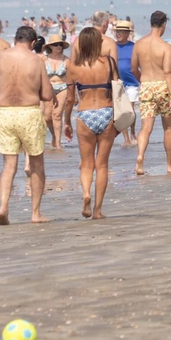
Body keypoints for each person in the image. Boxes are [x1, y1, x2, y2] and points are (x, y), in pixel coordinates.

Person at [0, 24, 58, 223]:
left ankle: (3, 206)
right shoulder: (36, 60)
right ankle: (35, 213)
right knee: (36, 164)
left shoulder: (1, 56)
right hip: (28, 113)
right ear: (33, 43)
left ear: (15, 39)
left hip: (6, 112)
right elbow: (46, 94)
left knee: (9, 165)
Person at [61, 26, 117, 219]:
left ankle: (86, 193)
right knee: (102, 165)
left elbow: (70, 99)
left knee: (86, 163)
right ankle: (98, 211)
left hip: (85, 114)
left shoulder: (73, 67)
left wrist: (67, 122)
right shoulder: (109, 63)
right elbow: (117, 89)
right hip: (106, 112)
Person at [131, 11, 171, 176]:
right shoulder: (166, 47)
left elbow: (133, 69)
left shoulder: (138, 44)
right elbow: (168, 72)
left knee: (145, 128)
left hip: (146, 85)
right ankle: (170, 165)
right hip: (163, 87)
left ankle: (140, 156)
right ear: (164, 24)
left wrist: (143, 82)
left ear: (150, 23)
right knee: (169, 128)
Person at [107, 20, 139, 149]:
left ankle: (132, 133)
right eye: (117, 31)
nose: (118, 33)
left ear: (127, 33)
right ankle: (126, 138)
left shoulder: (134, 47)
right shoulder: (112, 46)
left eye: (121, 31)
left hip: (131, 82)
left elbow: (140, 63)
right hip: (117, 83)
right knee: (122, 111)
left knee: (130, 109)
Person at [43, 33, 70, 151]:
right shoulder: (44, 59)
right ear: (50, 46)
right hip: (48, 88)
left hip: (62, 87)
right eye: (55, 44)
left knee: (57, 115)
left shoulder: (66, 60)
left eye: (60, 44)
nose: (58, 46)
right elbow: (39, 75)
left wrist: (74, 94)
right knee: (47, 117)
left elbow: (71, 78)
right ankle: (54, 136)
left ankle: (58, 144)